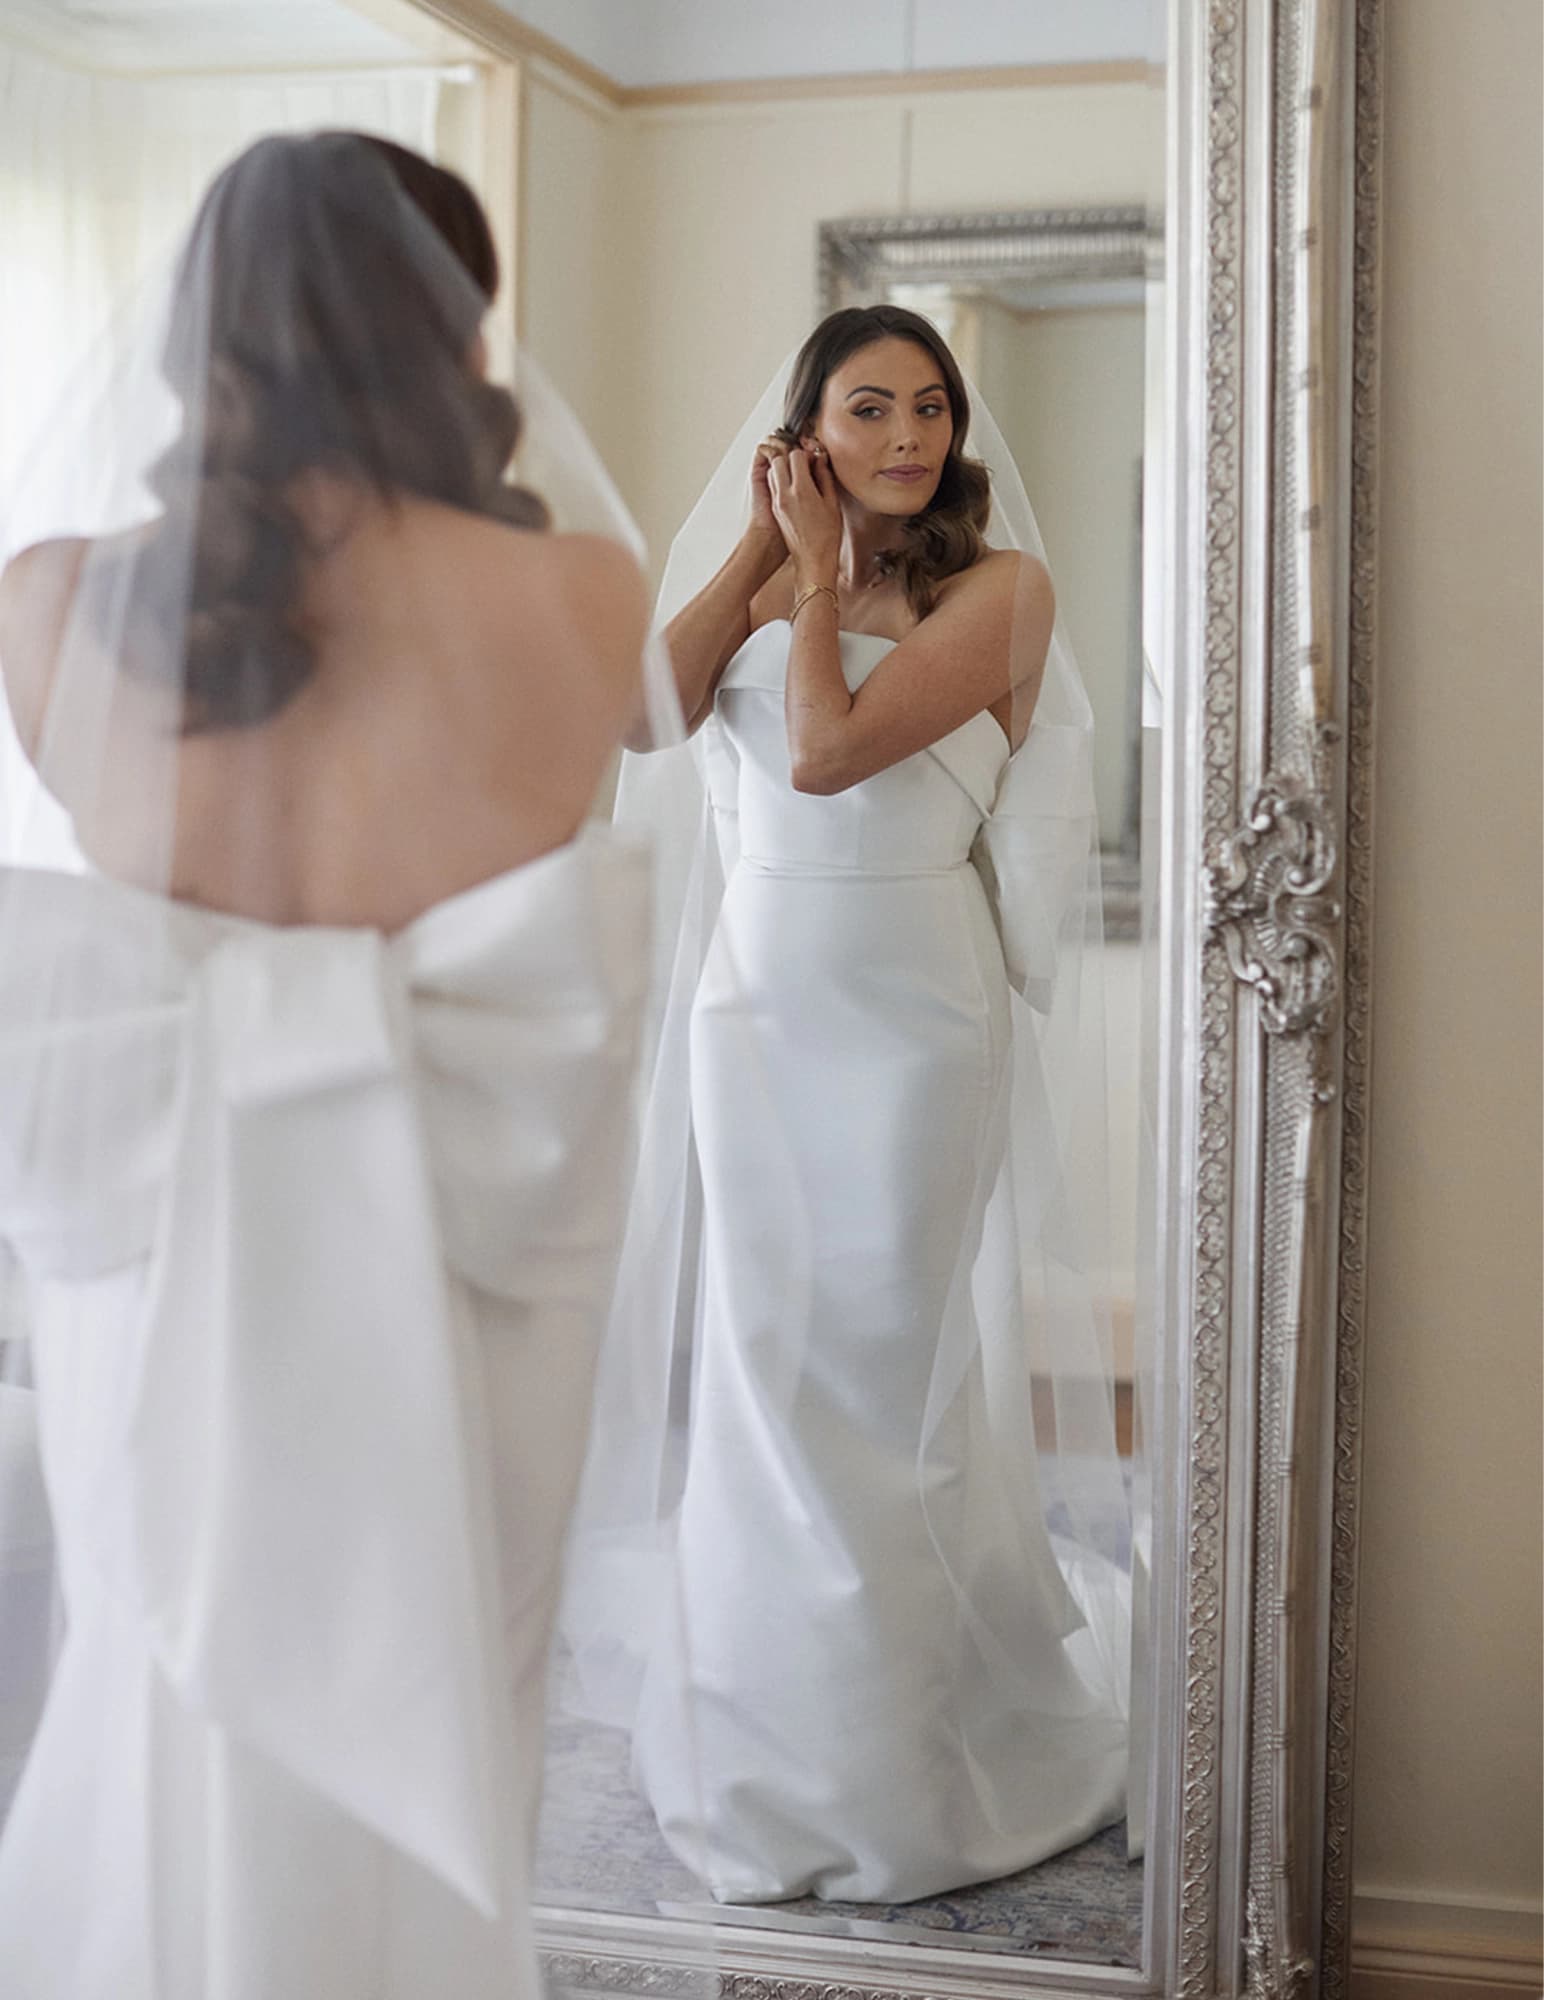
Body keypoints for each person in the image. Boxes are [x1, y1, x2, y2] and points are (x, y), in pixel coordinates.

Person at [0, 132, 661, 1997]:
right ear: (457, 332)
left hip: (163, 1250)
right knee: (455, 1689)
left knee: (163, 1687)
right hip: (463, 1255)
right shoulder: (586, 601)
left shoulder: (46, 601)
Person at [563, 306, 1132, 1906]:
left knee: (878, 1380)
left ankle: (898, 1772)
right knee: (758, 1374)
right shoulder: (770, 571)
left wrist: (814, 585)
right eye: (869, 408)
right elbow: (644, 721)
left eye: (932, 409)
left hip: (908, 1019)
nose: (906, 439)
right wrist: (758, 549)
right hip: (755, 1016)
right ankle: (764, 1749)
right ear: (806, 427)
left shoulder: (1000, 591)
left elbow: (823, 752)